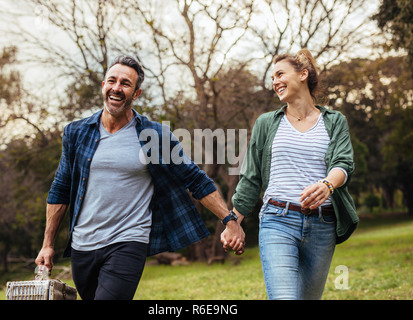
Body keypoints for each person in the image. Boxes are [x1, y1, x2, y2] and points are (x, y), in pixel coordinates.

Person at [35, 55, 245, 300]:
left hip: (128, 240)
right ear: (103, 86)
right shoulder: (77, 132)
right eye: (111, 81)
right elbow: (61, 189)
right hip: (83, 245)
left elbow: (195, 179)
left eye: (125, 83)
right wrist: (48, 243)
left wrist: (230, 221)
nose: (116, 87)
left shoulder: (154, 135)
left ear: (136, 94)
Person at [224, 49, 358, 300]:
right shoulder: (266, 123)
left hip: (323, 225)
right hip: (278, 219)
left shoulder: (334, 121)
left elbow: (343, 164)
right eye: (272, 78)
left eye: (280, 74)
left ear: (303, 74)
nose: (274, 82)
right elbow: (251, 177)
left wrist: (328, 184)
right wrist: (233, 221)